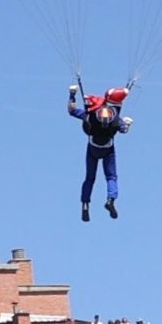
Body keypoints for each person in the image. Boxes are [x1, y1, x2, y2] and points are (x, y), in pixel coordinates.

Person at [67, 82, 130, 220]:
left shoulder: (91, 115)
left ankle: (85, 205)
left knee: (90, 178)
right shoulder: (115, 118)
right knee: (111, 177)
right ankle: (111, 200)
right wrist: (127, 123)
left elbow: (71, 110)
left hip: (93, 149)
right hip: (108, 150)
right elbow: (124, 129)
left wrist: (72, 94)